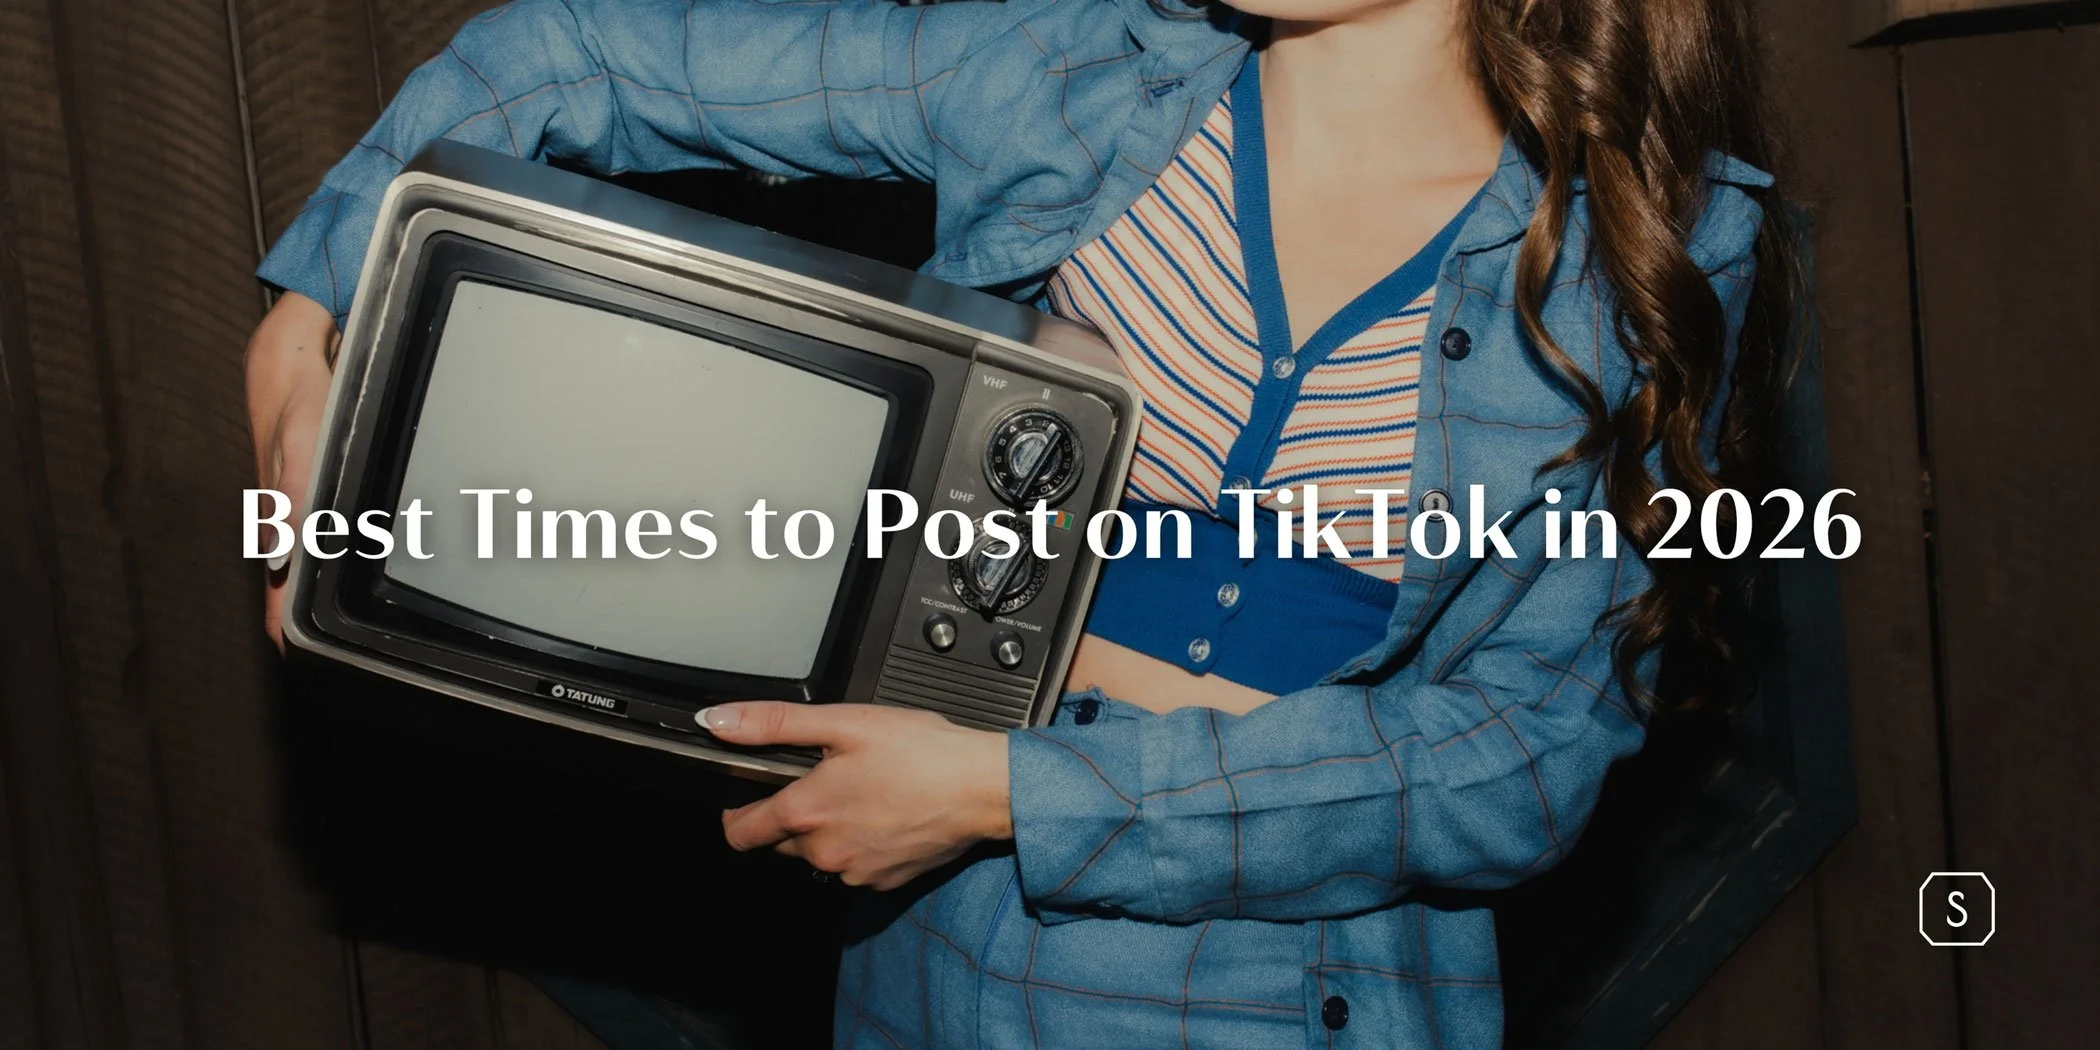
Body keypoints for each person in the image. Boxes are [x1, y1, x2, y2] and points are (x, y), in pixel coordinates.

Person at [244, 0, 1800, 1045]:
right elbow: (563, 51)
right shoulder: (1074, 73)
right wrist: (310, 302)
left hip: (1311, 991)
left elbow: (1523, 754)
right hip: (954, 970)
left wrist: (1021, 792)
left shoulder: (1654, 247)